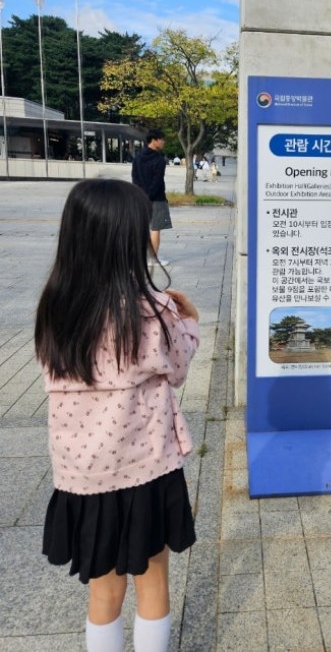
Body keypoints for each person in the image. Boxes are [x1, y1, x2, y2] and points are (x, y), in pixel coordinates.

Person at [35, 179, 200, 652]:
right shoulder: (151, 311)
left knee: (104, 592)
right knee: (153, 583)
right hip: (147, 469)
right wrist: (189, 319)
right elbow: (178, 368)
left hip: (84, 476)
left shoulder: (55, 309)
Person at [132, 130, 172, 267]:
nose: (163, 142)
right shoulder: (159, 160)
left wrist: (141, 195)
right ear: (154, 140)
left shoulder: (138, 157)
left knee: (142, 228)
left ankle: (140, 258)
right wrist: (150, 196)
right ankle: (153, 259)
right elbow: (157, 182)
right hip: (157, 198)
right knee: (155, 228)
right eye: (162, 139)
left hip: (139, 198)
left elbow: (135, 178)